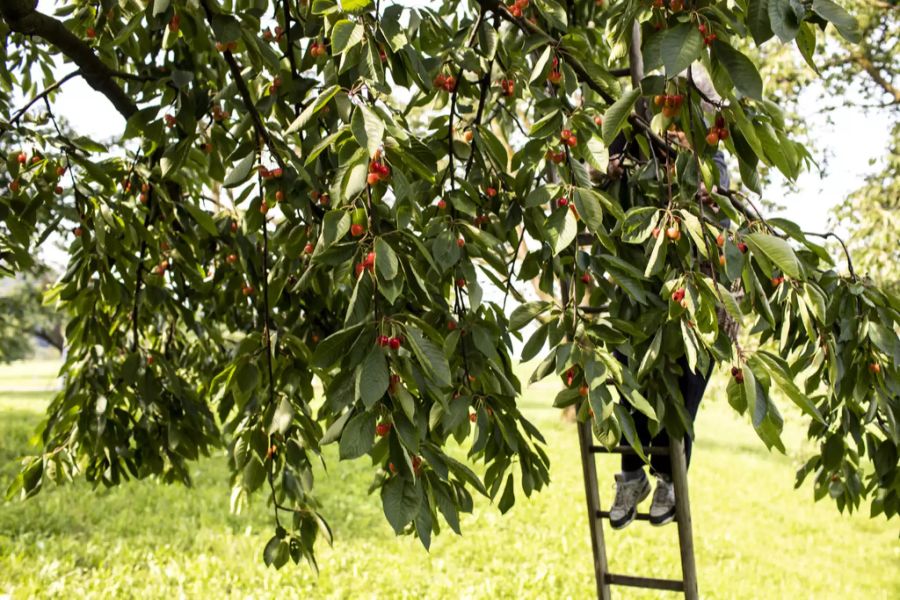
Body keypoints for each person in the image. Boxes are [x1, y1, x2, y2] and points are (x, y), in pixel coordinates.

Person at [603, 65, 733, 528]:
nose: (671, 111)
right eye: (665, 102)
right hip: (642, 289)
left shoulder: (708, 145)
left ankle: (670, 478)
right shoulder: (635, 124)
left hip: (698, 292)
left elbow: (717, 199)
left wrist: (703, 192)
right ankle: (633, 473)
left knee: (685, 386)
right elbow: (604, 168)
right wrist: (611, 167)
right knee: (627, 377)